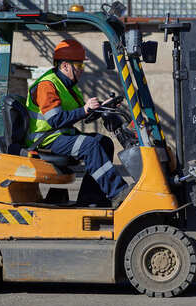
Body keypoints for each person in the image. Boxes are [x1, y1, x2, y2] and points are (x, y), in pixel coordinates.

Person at [25, 38, 130, 207]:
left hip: (61, 135)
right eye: (79, 66)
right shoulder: (47, 85)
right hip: (46, 139)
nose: (82, 70)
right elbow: (56, 120)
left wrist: (101, 107)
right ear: (65, 66)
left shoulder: (68, 85)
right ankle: (118, 192)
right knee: (89, 145)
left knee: (103, 142)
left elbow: (81, 113)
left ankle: (91, 198)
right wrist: (85, 110)